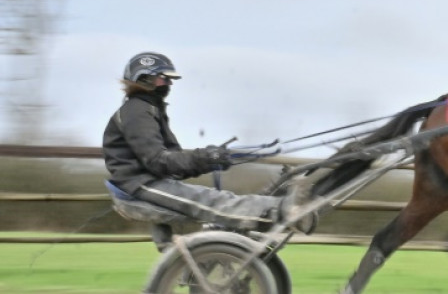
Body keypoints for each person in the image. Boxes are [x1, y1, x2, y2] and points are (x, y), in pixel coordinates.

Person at [102, 51, 313, 232]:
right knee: (211, 202)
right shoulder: (137, 112)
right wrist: (206, 157)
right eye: (164, 78)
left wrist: (210, 159)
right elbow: (159, 161)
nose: (169, 84)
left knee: (213, 197)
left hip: (148, 181)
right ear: (145, 79)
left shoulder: (149, 110)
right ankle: (281, 208)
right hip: (139, 185)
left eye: (170, 80)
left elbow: (174, 163)